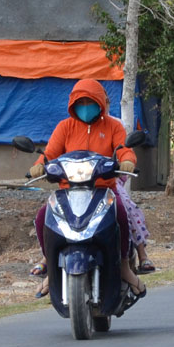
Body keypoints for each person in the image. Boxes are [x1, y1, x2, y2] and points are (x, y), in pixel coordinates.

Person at [28, 79, 146, 298]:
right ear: (72, 105)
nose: (84, 106)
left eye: (89, 101)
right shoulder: (65, 127)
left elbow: (124, 149)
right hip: (67, 191)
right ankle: (52, 268)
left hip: (103, 190)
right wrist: (38, 166)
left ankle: (123, 267)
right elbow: (49, 153)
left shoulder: (113, 126)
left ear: (100, 103)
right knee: (43, 216)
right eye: (80, 102)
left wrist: (128, 160)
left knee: (120, 214)